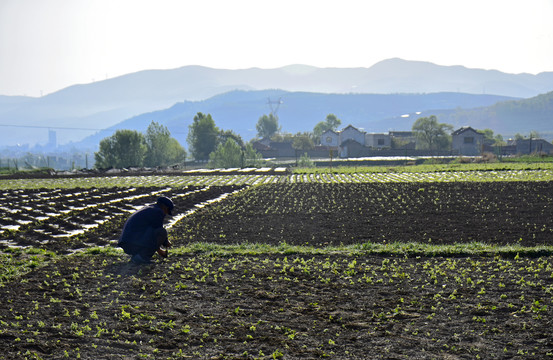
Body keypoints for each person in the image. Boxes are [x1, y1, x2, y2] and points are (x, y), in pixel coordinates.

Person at [118, 196, 174, 264]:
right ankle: (141, 257)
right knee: (162, 232)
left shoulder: (150, 209)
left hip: (127, 242)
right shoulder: (158, 212)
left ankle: (139, 256)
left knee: (156, 233)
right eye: (167, 211)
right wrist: (166, 242)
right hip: (133, 243)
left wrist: (160, 251)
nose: (166, 214)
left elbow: (151, 234)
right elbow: (158, 230)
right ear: (165, 207)